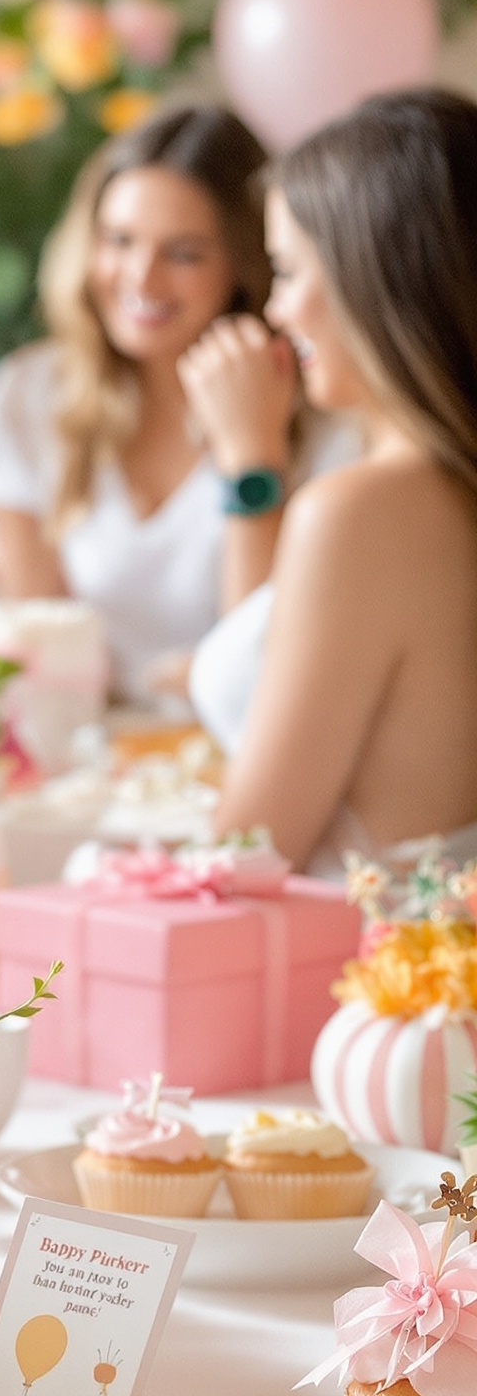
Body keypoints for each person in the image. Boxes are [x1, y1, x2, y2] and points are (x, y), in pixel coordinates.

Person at [0, 104, 354, 706]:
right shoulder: (28, 394)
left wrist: (252, 456)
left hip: (246, 756)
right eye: (119, 241)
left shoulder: (324, 418)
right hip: (88, 746)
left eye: (185, 253)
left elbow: (259, 680)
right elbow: (39, 651)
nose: (141, 280)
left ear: (243, 266)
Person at [191, 88, 477, 876]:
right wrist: (250, 457)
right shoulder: (437, 492)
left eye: (286, 271)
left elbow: (247, 855)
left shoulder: (362, 511)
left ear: (371, 278)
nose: (277, 310)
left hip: (371, 976)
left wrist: (248, 465)